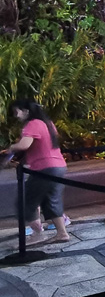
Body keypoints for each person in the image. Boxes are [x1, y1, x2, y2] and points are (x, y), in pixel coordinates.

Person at [1, 100, 69, 244]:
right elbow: (40, 146)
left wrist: (12, 147)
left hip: (44, 169)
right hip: (59, 166)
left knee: (27, 202)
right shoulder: (48, 123)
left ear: (26, 111)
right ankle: (62, 233)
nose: (16, 116)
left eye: (16, 112)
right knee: (51, 200)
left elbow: (25, 144)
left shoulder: (32, 124)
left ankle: (37, 234)